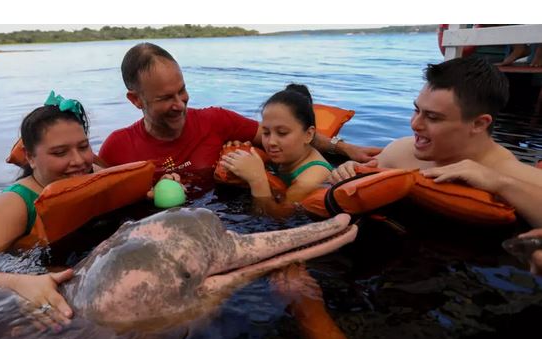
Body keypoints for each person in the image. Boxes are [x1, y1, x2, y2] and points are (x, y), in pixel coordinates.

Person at [98, 43, 381, 179]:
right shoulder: (116, 149)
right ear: (136, 100)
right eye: (165, 98)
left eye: (181, 91)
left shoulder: (215, 120)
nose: (180, 103)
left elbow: (284, 137)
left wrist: (343, 148)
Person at [328, 56, 542, 228]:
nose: (415, 124)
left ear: (478, 124)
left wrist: (500, 184)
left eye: (432, 117)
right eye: (416, 110)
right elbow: (357, 182)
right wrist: (345, 173)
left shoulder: (512, 174)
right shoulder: (400, 152)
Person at [0, 91, 99, 322]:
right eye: (60, 152)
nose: (78, 161)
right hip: (32, 285)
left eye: (83, 147)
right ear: (30, 157)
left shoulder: (93, 176)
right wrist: (18, 284)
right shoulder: (15, 203)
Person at [219, 84, 333, 217]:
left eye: (282, 133)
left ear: (308, 135)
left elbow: (278, 218)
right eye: (266, 133)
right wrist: (239, 150)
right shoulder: (286, 155)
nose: (271, 142)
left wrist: (257, 180)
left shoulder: (311, 178)